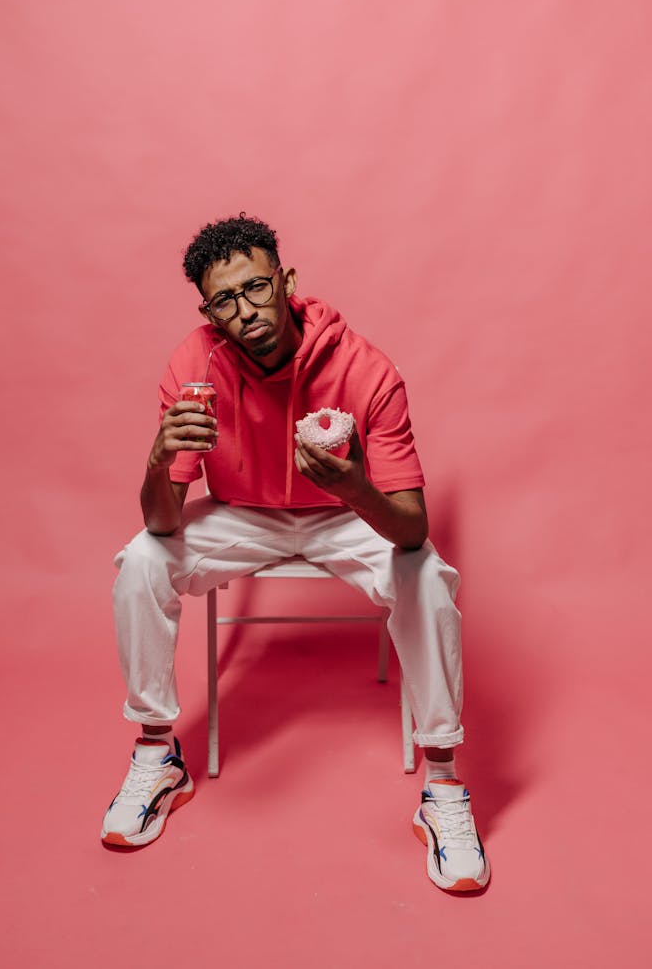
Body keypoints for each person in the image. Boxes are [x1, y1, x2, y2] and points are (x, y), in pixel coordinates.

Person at [102, 213, 490, 892]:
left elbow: (411, 530)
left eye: (256, 288)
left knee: (426, 576)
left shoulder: (366, 370)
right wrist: (159, 459)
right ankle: (158, 755)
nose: (246, 310)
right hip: (242, 517)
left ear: (286, 281)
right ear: (207, 312)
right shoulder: (195, 365)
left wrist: (351, 486)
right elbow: (163, 525)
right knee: (139, 560)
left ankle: (443, 787)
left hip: (346, 514)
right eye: (225, 300)